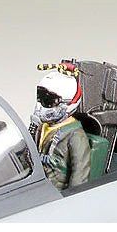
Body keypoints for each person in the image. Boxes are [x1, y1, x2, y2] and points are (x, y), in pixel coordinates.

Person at [30, 63, 91, 191]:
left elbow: (79, 179)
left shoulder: (76, 136)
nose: (41, 105)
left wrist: (69, 199)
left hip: (54, 194)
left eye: (48, 100)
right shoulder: (42, 127)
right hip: (35, 185)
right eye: (40, 96)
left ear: (68, 104)